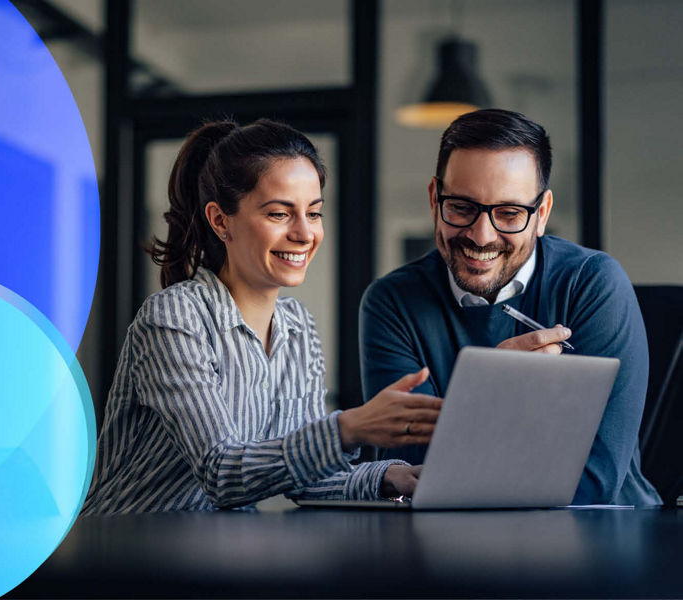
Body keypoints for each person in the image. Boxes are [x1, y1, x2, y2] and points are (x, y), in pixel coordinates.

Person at [83, 119, 442, 515]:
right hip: (124, 553)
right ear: (220, 220)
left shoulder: (298, 326)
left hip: (217, 554)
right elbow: (221, 472)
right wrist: (348, 428)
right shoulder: (173, 317)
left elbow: (304, 473)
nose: (305, 234)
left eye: (314, 213)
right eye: (279, 214)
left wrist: (391, 476)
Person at [360, 108, 661, 505]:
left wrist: (469, 433)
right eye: (462, 208)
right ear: (435, 199)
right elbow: (415, 472)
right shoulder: (391, 303)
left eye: (509, 213)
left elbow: (596, 475)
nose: (482, 236)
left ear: (542, 214)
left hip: (606, 533)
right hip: (453, 544)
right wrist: (493, 392)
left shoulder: (593, 284)